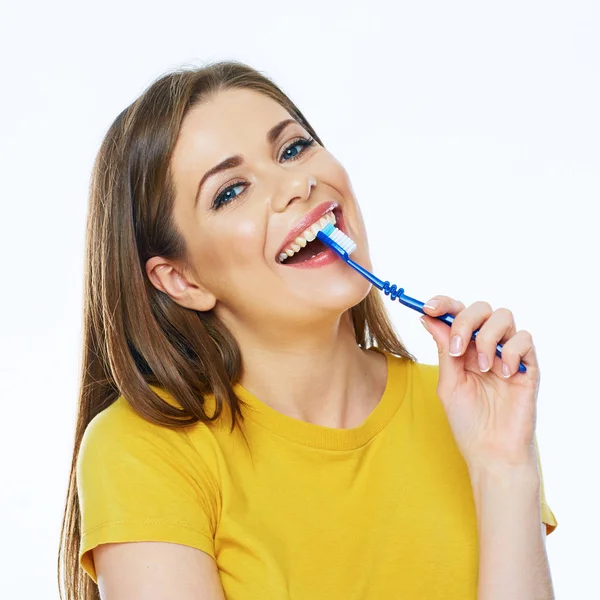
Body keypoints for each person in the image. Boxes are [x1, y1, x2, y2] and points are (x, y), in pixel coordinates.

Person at [58, 61, 557, 600]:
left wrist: (504, 467)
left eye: (293, 149)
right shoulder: (145, 448)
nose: (296, 184)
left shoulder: (467, 412)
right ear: (181, 280)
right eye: (231, 191)